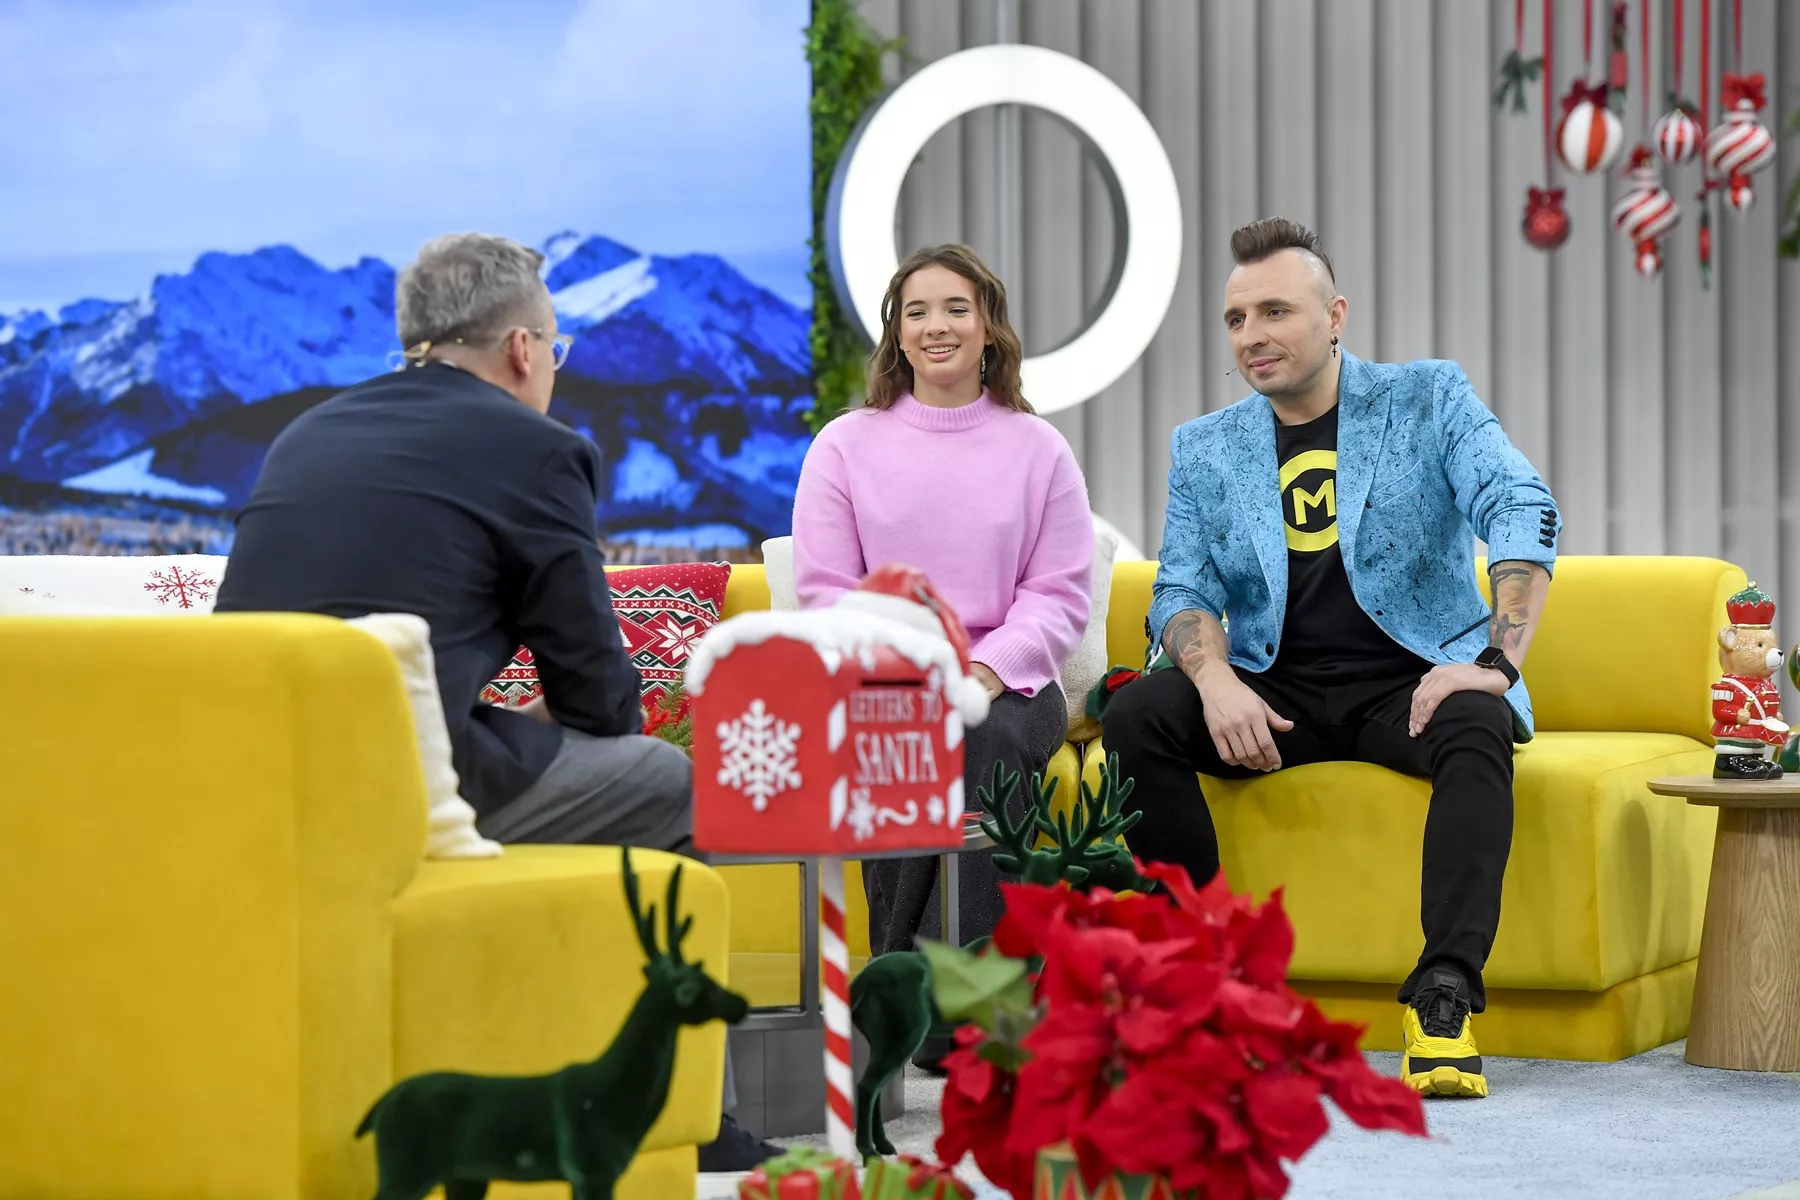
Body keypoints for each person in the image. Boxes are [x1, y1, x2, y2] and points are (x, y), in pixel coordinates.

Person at [213, 231, 779, 1169]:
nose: (553, 365)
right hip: (399, 784)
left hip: (252, 775)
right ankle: (685, 1122)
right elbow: (602, 701)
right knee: (666, 782)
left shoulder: (308, 431)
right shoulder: (537, 450)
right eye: (556, 348)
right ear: (522, 348)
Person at [1104, 218, 1560, 1100]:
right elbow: (1181, 587)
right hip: (1277, 690)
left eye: (1275, 311)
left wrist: (1496, 664)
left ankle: (1444, 994)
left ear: (1336, 315)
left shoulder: (1427, 398)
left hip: (1410, 681)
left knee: (1478, 718)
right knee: (1136, 715)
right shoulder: (1205, 446)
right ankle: (1207, 983)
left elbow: (1519, 502)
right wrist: (1215, 680)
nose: (1253, 335)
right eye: (1237, 319)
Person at [790, 244, 1093, 1067]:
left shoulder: (1038, 449)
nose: (936, 326)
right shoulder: (844, 445)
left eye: (956, 308)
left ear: (989, 326)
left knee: (984, 736)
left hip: (1008, 679)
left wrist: (984, 672)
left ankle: (969, 1005)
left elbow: (1059, 592)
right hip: (884, 676)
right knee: (898, 738)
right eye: (916, 311)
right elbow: (826, 591)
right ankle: (914, 995)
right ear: (896, 333)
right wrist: (912, 676)